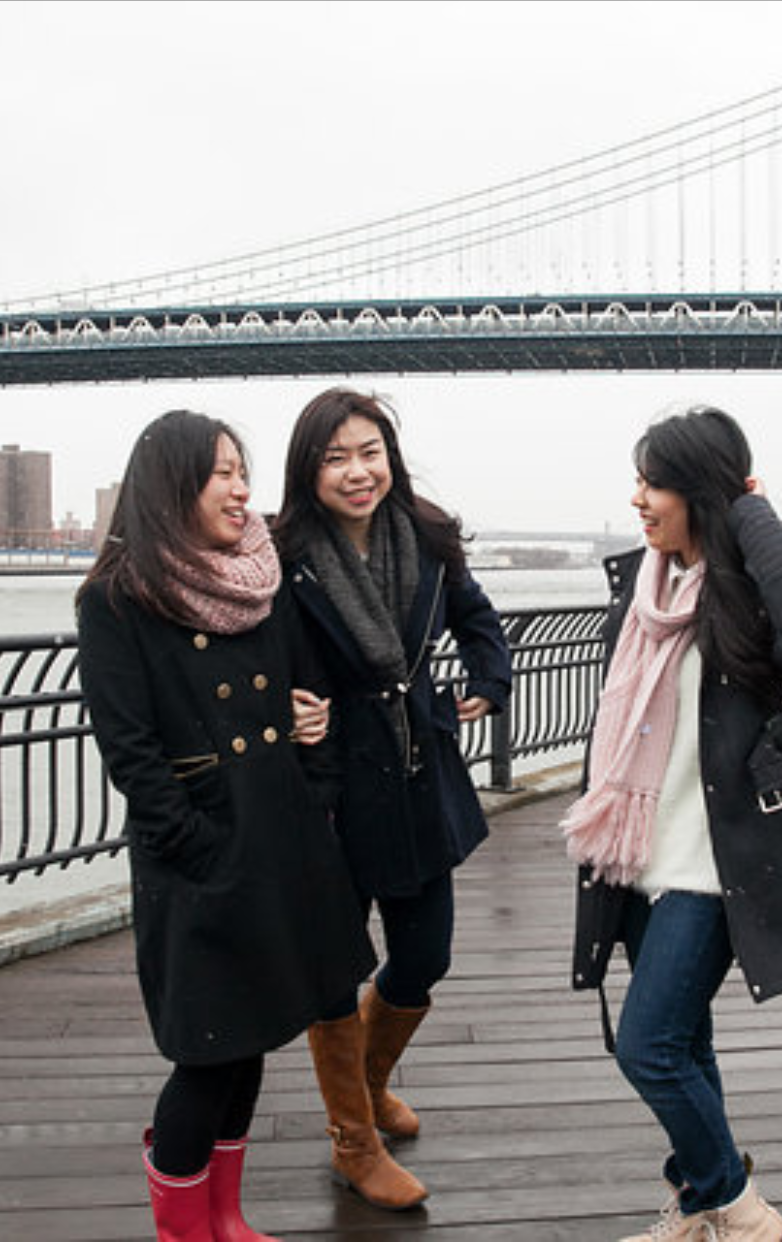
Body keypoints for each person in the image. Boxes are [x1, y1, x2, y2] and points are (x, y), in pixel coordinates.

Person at [561, 405, 782, 1242]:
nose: (638, 499)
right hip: (640, 854)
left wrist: (750, 508)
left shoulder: (745, 600)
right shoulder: (647, 588)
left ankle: (738, 1207)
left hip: (713, 863)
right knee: (684, 1045)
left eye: (654, 483)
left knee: (647, 1048)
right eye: (637, 480)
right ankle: (703, 1207)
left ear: (700, 493)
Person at [76, 409, 375, 1242]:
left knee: (253, 1042)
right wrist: (194, 843)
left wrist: (316, 772)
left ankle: (226, 1217)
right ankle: (184, 1230)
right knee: (208, 1054)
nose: (243, 491)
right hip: (202, 858)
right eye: (223, 474)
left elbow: (309, 691)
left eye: (243, 472)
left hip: (280, 840)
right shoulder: (117, 597)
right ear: (174, 484)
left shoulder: (260, 580)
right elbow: (130, 750)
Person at [270, 387, 514, 1211]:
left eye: (369, 452)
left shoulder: (429, 535)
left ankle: (369, 1087)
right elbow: (253, 662)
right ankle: (353, 1143)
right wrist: (280, 708)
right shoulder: (283, 556)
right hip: (329, 787)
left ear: (391, 458)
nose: (357, 471)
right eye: (335, 457)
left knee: (425, 956)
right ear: (308, 471)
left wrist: (489, 677)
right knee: (334, 972)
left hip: (416, 774)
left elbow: (478, 620)